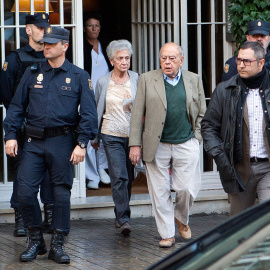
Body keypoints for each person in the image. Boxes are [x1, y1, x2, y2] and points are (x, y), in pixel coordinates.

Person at [4, 26, 98, 264]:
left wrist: (82, 143)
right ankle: (36, 240)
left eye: (51, 43)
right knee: (24, 193)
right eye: (44, 43)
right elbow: (16, 107)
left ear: (64, 46)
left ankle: (58, 244)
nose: (45, 47)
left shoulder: (79, 76)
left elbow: (89, 114)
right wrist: (10, 136)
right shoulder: (32, 72)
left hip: (63, 142)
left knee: (59, 196)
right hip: (33, 142)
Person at [129, 42, 206, 248]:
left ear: (181, 60)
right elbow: (137, 114)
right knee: (160, 190)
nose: (167, 62)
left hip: (186, 140)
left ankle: (181, 218)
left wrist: (197, 137)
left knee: (186, 188)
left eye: (172, 58)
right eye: (164, 58)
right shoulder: (147, 79)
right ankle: (167, 233)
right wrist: (135, 144)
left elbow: (201, 112)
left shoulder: (193, 79)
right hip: (157, 144)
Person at [201, 41, 270, 217]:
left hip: (267, 167)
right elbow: (208, 126)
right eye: (239, 60)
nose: (240, 65)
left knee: (266, 221)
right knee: (239, 224)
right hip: (238, 169)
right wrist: (221, 157)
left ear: (261, 63)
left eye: (247, 61)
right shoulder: (225, 90)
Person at [0, 13, 54, 237]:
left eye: (46, 28)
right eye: (39, 28)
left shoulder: (53, 56)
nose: (44, 31)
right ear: (28, 30)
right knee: (24, 174)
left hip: (49, 125)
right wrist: (18, 121)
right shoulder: (15, 58)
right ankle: (22, 218)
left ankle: (51, 216)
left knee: (51, 172)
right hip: (24, 126)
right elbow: (6, 93)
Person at [92, 40, 139, 236]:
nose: (124, 62)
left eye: (127, 58)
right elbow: (96, 109)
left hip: (133, 135)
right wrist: (95, 137)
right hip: (110, 133)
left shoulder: (137, 78)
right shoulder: (103, 82)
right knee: (118, 176)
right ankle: (124, 218)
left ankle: (119, 213)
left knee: (128, 178)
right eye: (120, 58)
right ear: (112, 60)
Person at [83, 11, 112, 189]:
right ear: (85, 28)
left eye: (96, 26)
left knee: (104, 134)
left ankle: (102, 168)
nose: (93, 29)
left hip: (106, 96)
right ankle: (91, 174)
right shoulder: (80, 47)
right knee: (88, 136)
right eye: (90, 25)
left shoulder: (106, 47)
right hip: (87, 96)